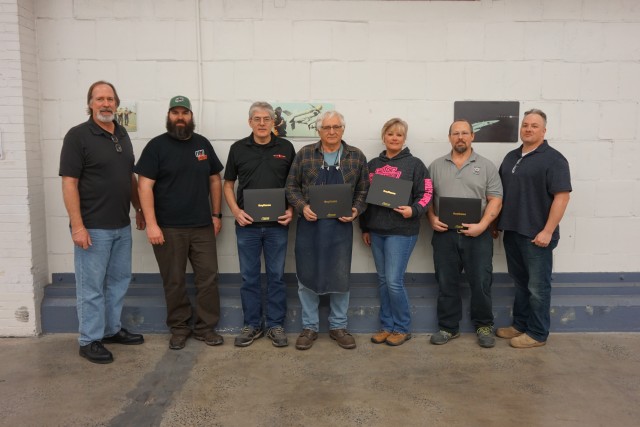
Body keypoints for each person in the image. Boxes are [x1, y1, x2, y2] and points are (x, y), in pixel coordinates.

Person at [59, 80, 145, 364]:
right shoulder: (78, 136)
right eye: (99, 99)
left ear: (116, 104)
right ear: (90, 103)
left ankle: (110, 330)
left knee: (118, 282)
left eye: (110, 99)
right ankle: (89, 340)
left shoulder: (121, 134)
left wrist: (139, 208)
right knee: (91, 286)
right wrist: (78, 226)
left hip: (121, 225)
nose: (105, 104)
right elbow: (69, 183)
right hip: (93, 227)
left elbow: (129, 177)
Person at [135, 95, 225, 350]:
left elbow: (215, 179)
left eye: (184, 112)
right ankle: (179, 327)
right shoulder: (156, 147)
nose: (180, 117)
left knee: (208, 278)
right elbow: (145, 186)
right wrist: (151, 224)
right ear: (168, 116)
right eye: (175, 112)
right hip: (168, 228)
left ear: (191, 116)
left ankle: (206, 328)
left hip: (202, 227)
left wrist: (216, 215)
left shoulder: (202, 144)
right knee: (174, 280)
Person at [285, 110, 369, 350]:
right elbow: (291, 187)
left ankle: (338, 326)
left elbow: (364, 190)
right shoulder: (305, 155)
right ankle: (309, 327)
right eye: (326, 127)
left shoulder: (356, 156)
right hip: (310, 226)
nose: (331, 131)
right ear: (318, 131)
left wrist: (355, 210)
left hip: (340, 227)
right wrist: (302, 207)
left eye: (336, 127)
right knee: (306, 274)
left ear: (343, 129)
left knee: (340, 275)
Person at [496, 109, 571, 348]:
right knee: (520, 283)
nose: (528, 129)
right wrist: (497, 224)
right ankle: (520, 324)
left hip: (537, 235)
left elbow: (562, 197)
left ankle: (537, 333)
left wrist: (548, 230)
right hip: (512, 231)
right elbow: (501, 195)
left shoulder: (554, 159)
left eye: (534, 126)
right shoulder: (510, 156)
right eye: (525, 125)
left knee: (538, 287)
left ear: (544, 131)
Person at [223, 102, 296, 348]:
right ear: (250, 122)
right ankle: (251, 325)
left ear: (273, 122)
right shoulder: (238, 149)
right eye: (257, 119)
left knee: (276, 277)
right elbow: (227, 184)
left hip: (278, 225)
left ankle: (275, 325)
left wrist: (290, 209)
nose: (262, 123)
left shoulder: (286, 148)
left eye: (267, 119)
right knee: (249, 277)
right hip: (247, 225)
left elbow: (294, 186)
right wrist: (235, 211)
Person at [427, 119, 503, 348]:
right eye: (455, 133)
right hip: (445, 235)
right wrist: (431, 218)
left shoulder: (487, 166)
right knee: (446, 281)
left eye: (464, 133)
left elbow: (496, 199)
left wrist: (482, 226)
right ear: (449, 137)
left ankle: (483, 326)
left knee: (481, 282)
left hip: (477, 235)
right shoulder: (436, 166)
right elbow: (426, 198)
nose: (460, 137)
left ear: (473, 136)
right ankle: (448, 327)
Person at [360, 118, 432, 346]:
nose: (394, 138)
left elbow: (427, 193)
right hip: (377, 230)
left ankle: (402, 327)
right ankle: (387, 326)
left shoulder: (415, 165)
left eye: (399, 135)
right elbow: (363, 198)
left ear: (404, 138)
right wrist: (364, 226)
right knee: (383, 280)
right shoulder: (372, 165)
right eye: (390, 134)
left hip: (402, 231)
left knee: (393, 281)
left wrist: (414, 210)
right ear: (384, 137)